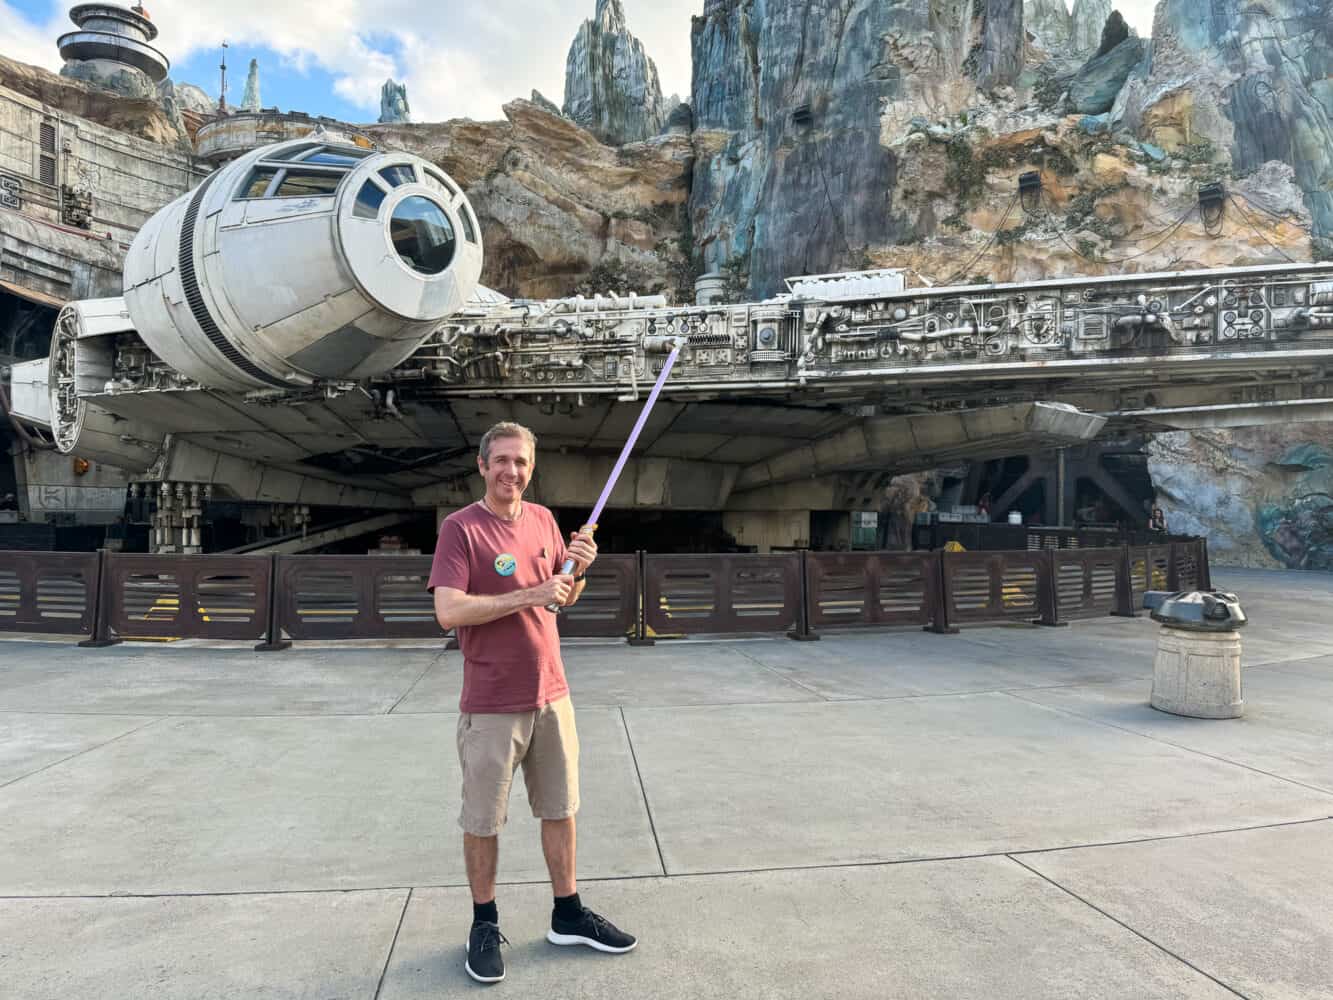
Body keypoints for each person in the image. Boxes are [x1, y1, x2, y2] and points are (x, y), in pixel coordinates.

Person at [429, 421, 636, 985]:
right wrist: (532, 593)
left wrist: (577, 573)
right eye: (500, 461)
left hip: (552, 694)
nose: (511, 471)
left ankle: (567, 914)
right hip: (493, 701)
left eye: (520, 462)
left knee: (560, 808)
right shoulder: (460, 530)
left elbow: (559, 598)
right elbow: (449, 611)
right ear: (482, 466)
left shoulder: (544, 520)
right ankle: (483, 923)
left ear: (530, 466)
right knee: (483, 820)